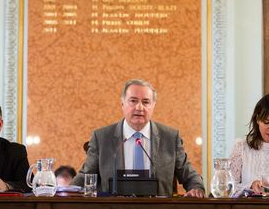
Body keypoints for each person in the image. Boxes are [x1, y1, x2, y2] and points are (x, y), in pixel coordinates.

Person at [70, 79, 205, 197]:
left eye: (146, 102)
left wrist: (196, 188)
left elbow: (190, 176)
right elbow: (85, 177)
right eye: (133, 101)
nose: (139, 107)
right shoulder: (102, 138)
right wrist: (66, 191)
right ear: (122, 103)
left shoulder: (170, 137)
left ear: (153, 106)